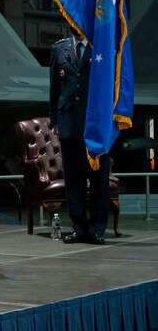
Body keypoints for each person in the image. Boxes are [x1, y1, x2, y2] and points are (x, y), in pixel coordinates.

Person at [49, 33, 110, 244]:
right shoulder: (59, 48)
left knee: (98, 180)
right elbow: (55, 88)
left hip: (96, 124)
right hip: (69, 122)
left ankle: (97, 229)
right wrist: (55, 121)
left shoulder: (101, 45)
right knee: (73, 180)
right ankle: (78, 228)